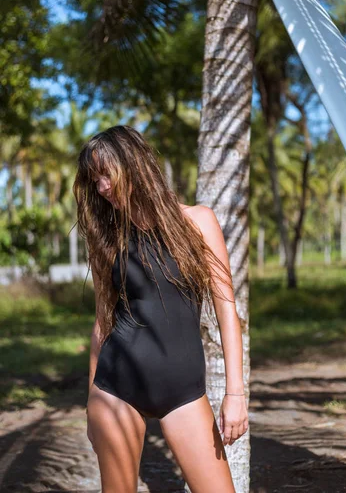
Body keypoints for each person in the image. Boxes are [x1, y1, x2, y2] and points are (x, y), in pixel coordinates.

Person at [73, 125, 248, 493]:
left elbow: (226, 310)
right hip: (116, 388)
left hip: (184, 393)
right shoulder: (111, 240)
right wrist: (92, 399)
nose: (102, 187)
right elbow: (103, 322)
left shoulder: (198, 222)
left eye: (107, 174)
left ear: (133, 165)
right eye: (95, 180)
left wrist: (235, 393)